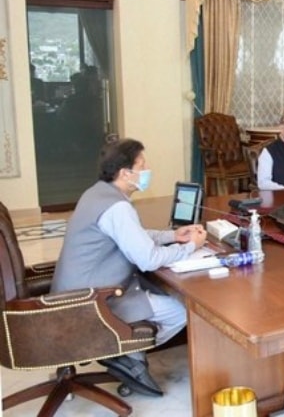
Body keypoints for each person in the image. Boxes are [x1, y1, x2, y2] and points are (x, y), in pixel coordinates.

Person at [51, 138, 207, 396]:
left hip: (75, 292)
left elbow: (133, 236)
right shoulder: (117, 208)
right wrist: (191, 247)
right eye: (142, 166)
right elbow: (148, 259)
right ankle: (123, 354)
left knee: (159, 290)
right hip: (93, 301)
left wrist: (173, 236)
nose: (147, 171)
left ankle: (128, 355)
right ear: (125, 173)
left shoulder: (96, 193)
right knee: (182, 310)